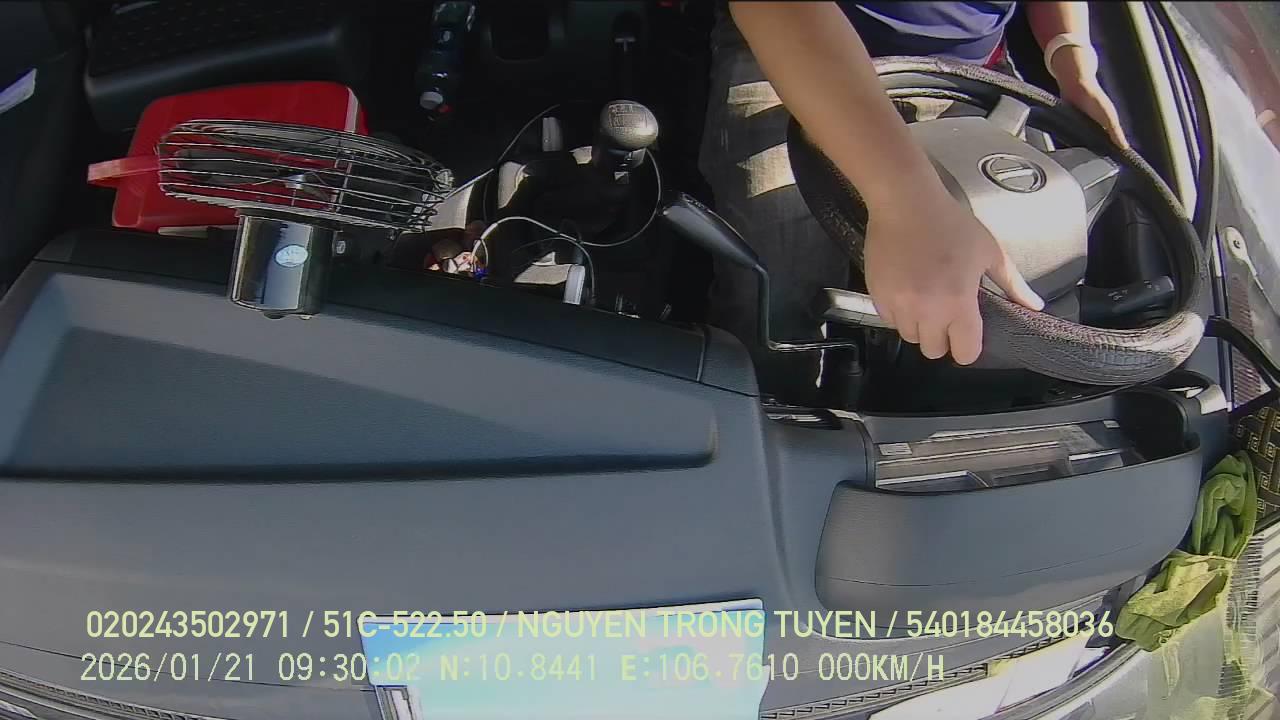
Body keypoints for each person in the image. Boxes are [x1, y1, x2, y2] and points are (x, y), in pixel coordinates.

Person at [699, 2, 1128, 403]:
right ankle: (774, 408)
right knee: (778, 284)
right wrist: (909, 206)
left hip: (972, 71)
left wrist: (1072, 61)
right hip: (791, 47)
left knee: (1024, 273)